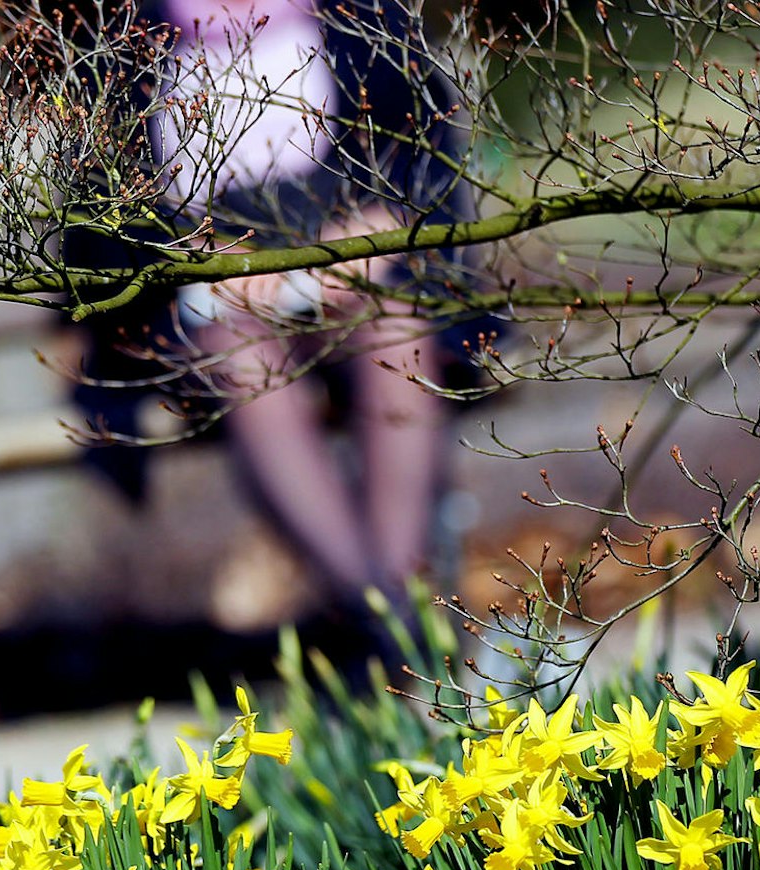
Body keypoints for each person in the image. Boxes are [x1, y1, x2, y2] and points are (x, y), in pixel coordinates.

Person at [63, 0, 488, 683]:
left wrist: (372, 236)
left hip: (350, 270)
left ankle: (386, 624)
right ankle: (392, 627)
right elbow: (98, 225)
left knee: (396, 334)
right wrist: (203, 261)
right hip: (206, 301)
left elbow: (424, 152)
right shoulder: (124, 44)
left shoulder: (358, 16)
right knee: (246, 364)